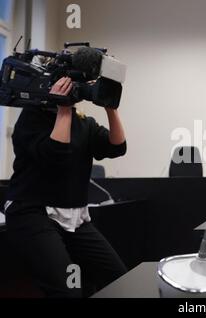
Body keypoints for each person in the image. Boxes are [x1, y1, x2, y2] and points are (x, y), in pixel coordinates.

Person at [4, 77, 127, 298]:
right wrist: (63, 109)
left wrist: (111, 107)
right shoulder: (32, 117)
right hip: (32, 212)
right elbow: (55, 154)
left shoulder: (83, 122)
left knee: (120, 279)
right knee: (68, 290)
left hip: (74, 217)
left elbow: (117, 147)